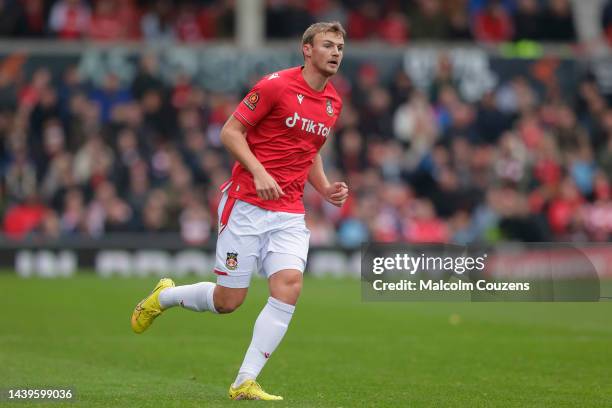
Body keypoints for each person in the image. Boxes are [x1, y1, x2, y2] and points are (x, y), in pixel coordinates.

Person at [130, 21, 349, 401]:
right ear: (307, 50)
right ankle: (163, 297)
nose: (335, 53)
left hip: (289, 211)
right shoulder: (275, 86)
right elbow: (230, 132)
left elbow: (308, 150)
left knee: (289, 288)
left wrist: (325, 186)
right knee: (228, 302)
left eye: (340, 47)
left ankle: (244, 381)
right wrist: (259, 170)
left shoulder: (333, 102)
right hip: (246, 204)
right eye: (327, 45)